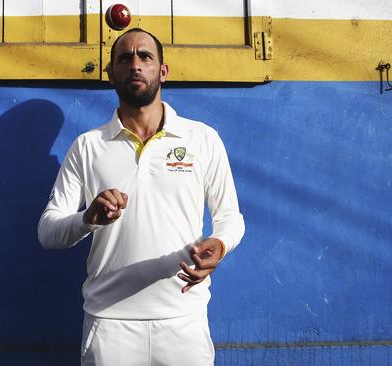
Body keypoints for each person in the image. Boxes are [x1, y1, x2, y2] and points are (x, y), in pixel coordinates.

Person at [37, 28, 245, 365]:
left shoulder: (202, 139)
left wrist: (219, 245)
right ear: (110, 74)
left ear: (162, 71)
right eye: (125, 57)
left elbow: (230, 218)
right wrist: (88, 218)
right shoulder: (88, 147)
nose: (135, 64)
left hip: (184, 321)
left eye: (145, 56)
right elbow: (48, 232)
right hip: (109, 325)